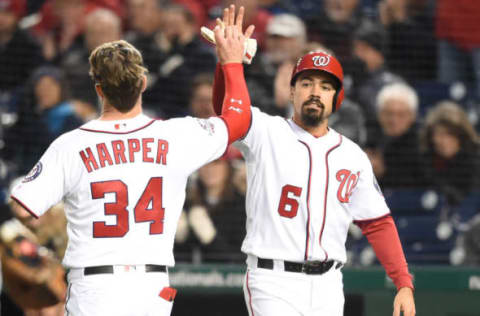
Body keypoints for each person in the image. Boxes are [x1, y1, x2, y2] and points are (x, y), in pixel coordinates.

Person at [9, 5, 254, 315]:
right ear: (143, 83)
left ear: (99, 89)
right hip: (150, 289)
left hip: (92, 287)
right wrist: (229, 62)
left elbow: (21, 207)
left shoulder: (70, 145)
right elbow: (237, 118)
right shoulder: (176, 135)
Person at [210, 7, 415, 316]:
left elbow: (377, 222)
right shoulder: (267, 131)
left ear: (337, 98)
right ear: (291, 92)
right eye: (306, 84)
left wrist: (403, 283)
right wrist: (228, 64)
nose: (315, 92)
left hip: (329, 284)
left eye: (326, 86)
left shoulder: (352, 155)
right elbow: (227, 112)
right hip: (272, 280)